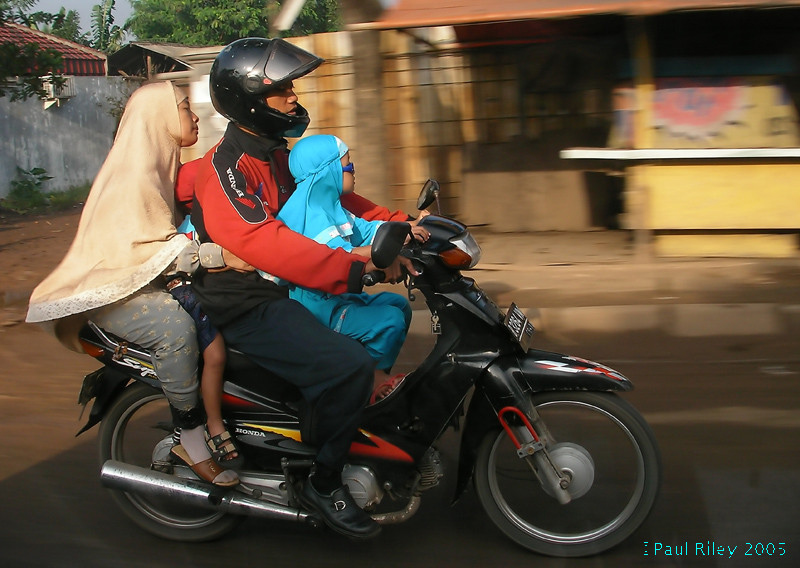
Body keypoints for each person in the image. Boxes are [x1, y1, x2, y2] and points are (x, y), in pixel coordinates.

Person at [187, 38, 417, 539]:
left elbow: (339, 200)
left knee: (381, 323)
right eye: (282, 90)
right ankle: (324, 481)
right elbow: (265, 242)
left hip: (279, 289)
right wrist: (361, 270)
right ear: (249, 99)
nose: (294, 97)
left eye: (292, 88)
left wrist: (409, 224)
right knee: (348, 366)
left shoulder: (275, 157)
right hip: (245, 305)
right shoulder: (226, 169)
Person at [25, 81, 238, 487]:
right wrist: (223, 257)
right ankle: (192, 438)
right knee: (175, 330)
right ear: (157, 117)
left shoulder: (162, 164)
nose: (194, 116)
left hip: (144, 279)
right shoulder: (135, 173)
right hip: (117, 291)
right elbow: (156, 246)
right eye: (184, 107)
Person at [279, 134, 428, 403]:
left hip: (340, 298)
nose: (352, 168)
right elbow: (338, 257)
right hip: (317, 309)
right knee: (388, 321)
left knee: (399, 306)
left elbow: (366, 229)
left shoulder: (330, 205)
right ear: (327, 171)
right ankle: (366, 383)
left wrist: (406, 227)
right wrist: (381, 256)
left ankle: (374, 373)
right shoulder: (309, 215)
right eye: (347, 163)